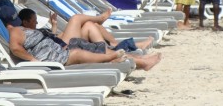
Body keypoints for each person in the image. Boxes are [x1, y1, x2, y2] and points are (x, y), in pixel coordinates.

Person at [16, 8, 161, 71]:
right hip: (61, 48)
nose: (36, 23)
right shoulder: (22, 34)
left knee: (90, 27)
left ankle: (139, 58)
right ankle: (101, 19)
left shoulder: (33, 31)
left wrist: (53, 25)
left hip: (59, 44)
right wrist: (32, 58)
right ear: (25, 22)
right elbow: (17, 48)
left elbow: (51, 38)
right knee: (77, 19)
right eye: (34, 21)